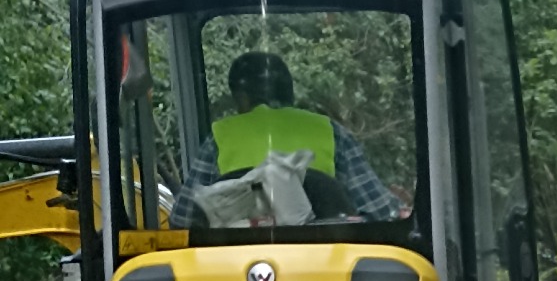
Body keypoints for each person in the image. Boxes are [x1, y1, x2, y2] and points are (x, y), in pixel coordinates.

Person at [169, 50, 402, 227]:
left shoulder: (219, 137)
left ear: (241, 97)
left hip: (235, 269)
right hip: (324, 265)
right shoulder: (329, 131)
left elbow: (183, 219)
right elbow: (380, 211)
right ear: (289, 92)